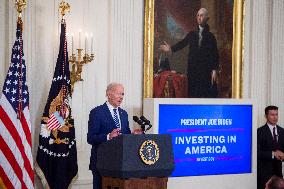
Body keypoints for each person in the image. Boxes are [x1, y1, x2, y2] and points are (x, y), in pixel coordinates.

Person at [87, 83, 142, 189]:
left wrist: (132, 135)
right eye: (118, 94)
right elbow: (91, 138)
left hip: (121, 164)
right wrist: (108, 136)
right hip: (102, 163)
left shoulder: (124, 114)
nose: (121, 97)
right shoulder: (97, 112)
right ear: (109, 94)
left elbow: (124, 136)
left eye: (123, 94)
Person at [159, 8, 219, 98]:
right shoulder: (192, 34)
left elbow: (215, 53)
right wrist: (170, 48)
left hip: (205, 70)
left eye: (202, 15)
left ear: (207, 18)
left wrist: (214, 70)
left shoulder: (211, 37)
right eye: (198, 15)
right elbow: (182, 43)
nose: (199, 17)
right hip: (193, 69)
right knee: (193, 93)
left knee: (205, 93)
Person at [257, 106, 284, 189]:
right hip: (264, 175)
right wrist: (273, 154)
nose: (275, 117)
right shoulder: (259, 131)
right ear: (266, 116)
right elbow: (256, 153)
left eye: (276, 114)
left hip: (278, 175)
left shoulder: (282, 131)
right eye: (272, 115)